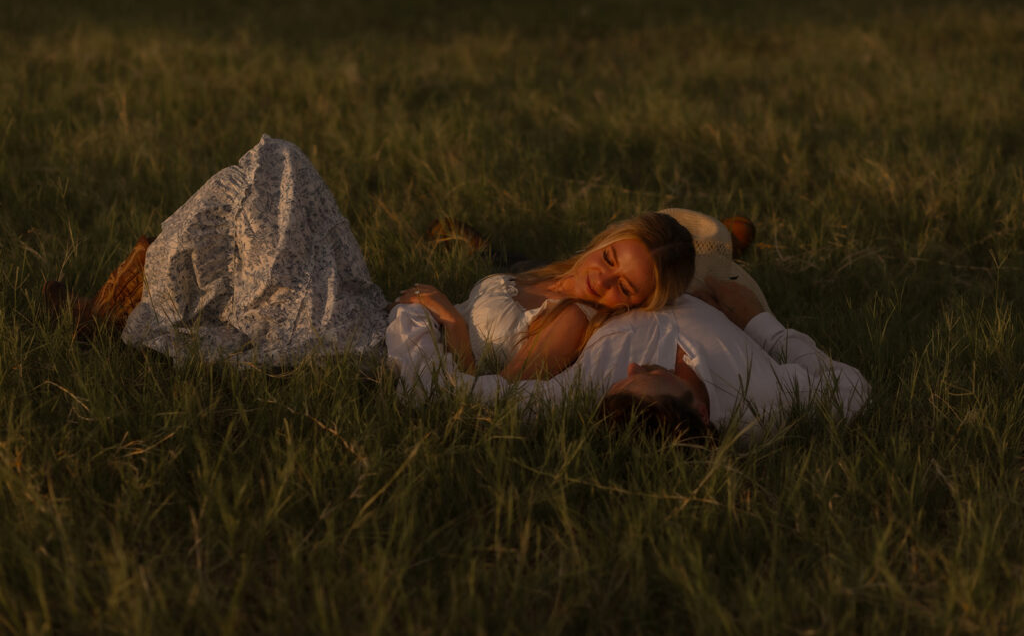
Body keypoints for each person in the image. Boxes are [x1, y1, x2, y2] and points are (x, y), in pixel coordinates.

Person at [45, 135, 696, 379]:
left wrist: (451, 317)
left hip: (376, 349)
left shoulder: (574, 323)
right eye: (613, 257)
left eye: (625, 290)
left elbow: (491, 396)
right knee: (278, 170)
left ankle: (130, 302)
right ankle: (146, 286)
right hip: (380, 313)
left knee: (275, 214)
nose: (604, 278)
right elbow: (706, 239)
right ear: (607, 239)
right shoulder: (554, 276)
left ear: (636, 307)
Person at [388, 221, 870, 443]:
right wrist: (761, 323)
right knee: (695, 241)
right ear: (700, 408)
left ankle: (723, 238)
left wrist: (440, 326)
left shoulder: (594, 384)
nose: (633, 366)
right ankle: (722, 237)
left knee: (556, 280)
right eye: (644, 374)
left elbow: (453, 397)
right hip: (723, 296)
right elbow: (852, 385)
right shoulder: (762, 399)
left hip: (646, 293)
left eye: (626, 376)